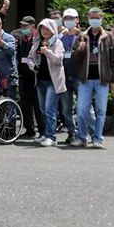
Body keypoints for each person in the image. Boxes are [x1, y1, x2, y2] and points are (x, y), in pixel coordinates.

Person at [72, 8, 114, 149]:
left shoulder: (109, 37)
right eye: (92, 17)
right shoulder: (82, 36)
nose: (94, 20)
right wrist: (80, 49)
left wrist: (113, 80)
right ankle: (82, 137)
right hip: (85, 79)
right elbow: (75, 59)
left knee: (101, 110)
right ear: (88, 18)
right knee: (81, 110)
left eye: (97, 17)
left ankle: (98, 138)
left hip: (102, 79)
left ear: (101, 18)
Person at [33, 18, 67, 147]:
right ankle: (46, 134)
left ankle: (52, 137)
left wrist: (47, 52)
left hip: (53, 81)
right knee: (42, 109)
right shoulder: (37, 42)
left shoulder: (58, 43)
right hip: (41, 80)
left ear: (53, 29)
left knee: (50, 109)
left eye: (47, 28)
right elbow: (31, 58)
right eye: (42, 28)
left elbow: (58, 60)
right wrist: (32, 65)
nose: (45, 31)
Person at [14, 15, 45, 140]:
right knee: (25, 104)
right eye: (22, 25)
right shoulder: (21, 40)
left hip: (35, 77)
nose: (23, 28)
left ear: (33, 27)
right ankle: (29, 129)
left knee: (37, 105)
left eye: (26, 26)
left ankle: (43, 130)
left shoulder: (38, 40)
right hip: (23, 76)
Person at [58, 8, 82, 145]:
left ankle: (83, 132)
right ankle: (72, 133)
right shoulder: (61, 37)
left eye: (71, 18)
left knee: (82, 107)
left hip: (78, 76)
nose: (69, 21)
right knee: (66, 108)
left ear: (77, 19)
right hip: (64, 76)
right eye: (66, 19)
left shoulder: (83, 35)